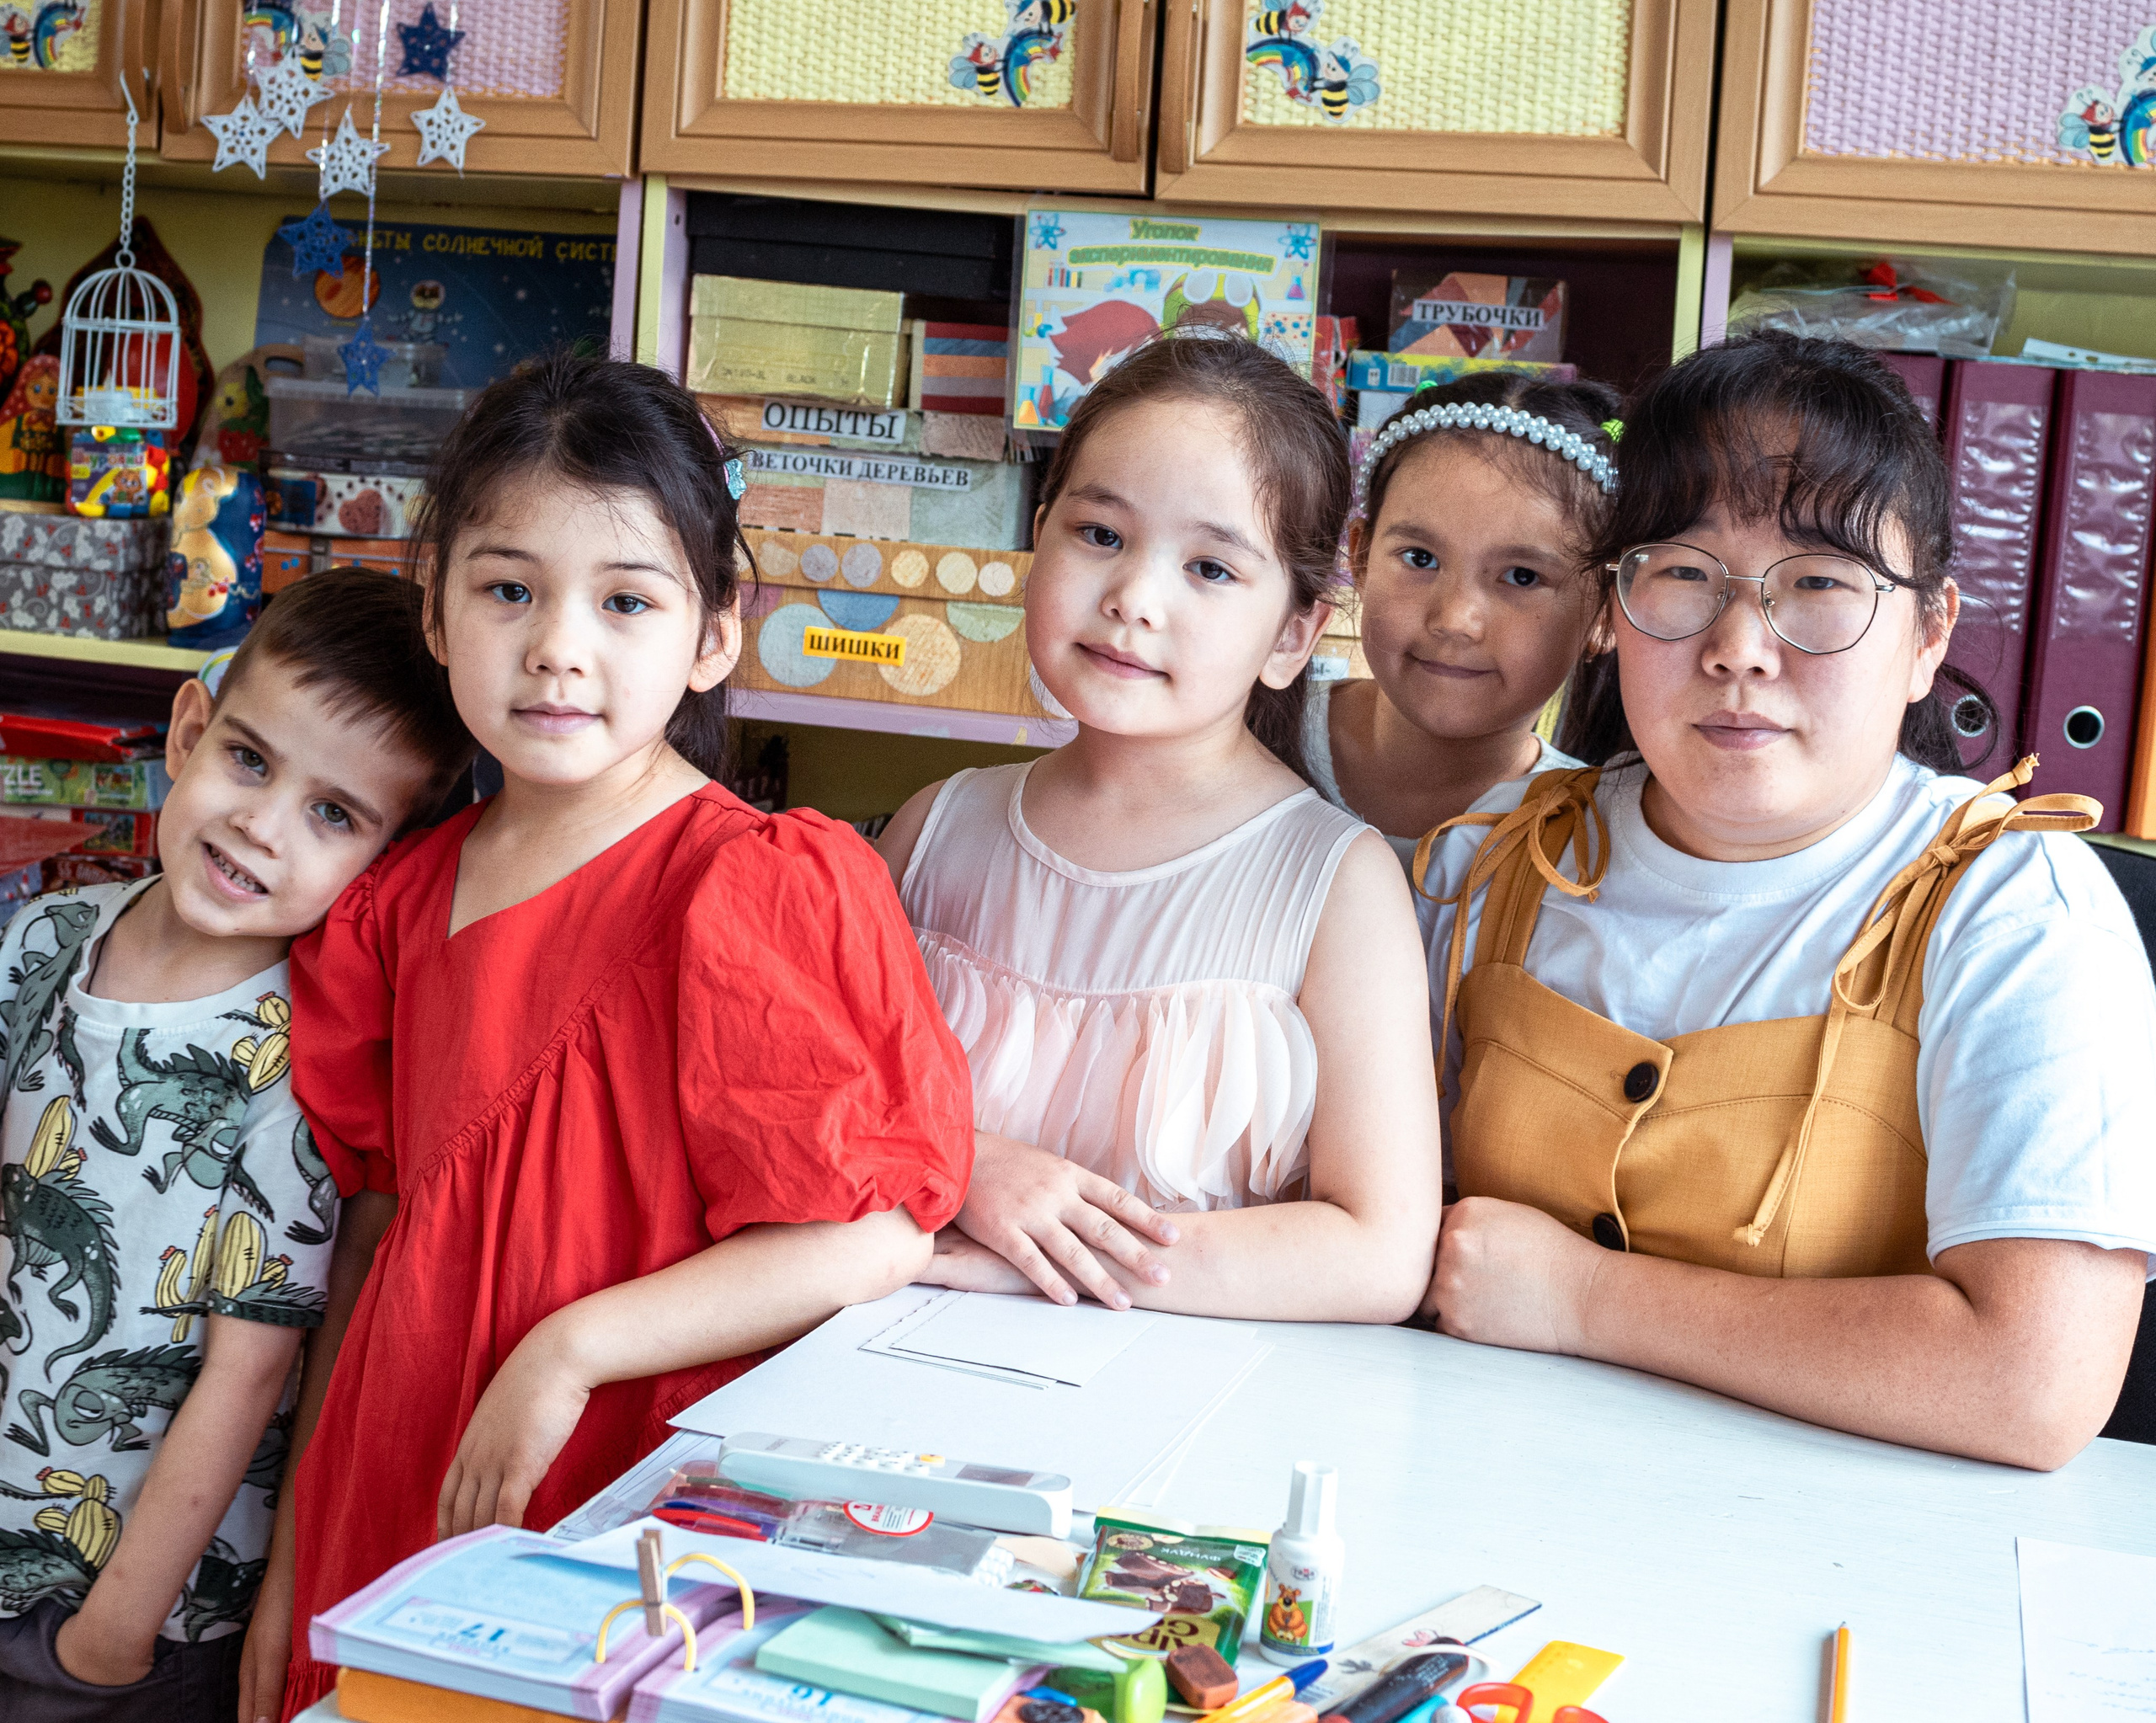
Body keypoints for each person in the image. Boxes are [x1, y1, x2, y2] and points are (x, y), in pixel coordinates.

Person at [252, 355, 975, 1718]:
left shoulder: (750, 882)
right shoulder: (394, 898)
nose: (558, 647)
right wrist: (293, 1566)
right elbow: (370, 1237)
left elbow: (870, 1239)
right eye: (508, 589)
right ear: (435, 605)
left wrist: (565, 1350)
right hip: (393, 1476)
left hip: (624, 1491)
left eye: (626, 600)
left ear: (714, 636)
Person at [1417, 331, 2156, 1469]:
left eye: (1816, 583)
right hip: (1476, 1488)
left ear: (1929, 635)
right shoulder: (1494, 858)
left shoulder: (2018, 912)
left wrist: (1584, 1298)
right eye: (1684, 574)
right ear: (1613, 608)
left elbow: (2034, 1383)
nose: (1738, 648)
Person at [876, 335, 1441, 1321]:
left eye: (1211, 568)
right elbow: (819, 1096)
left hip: (1186, 1393)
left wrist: (1058, 1260)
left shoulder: (1334, 885)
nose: (1133, 599)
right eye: (1100, 534)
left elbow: (1380, 1252)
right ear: (1038, 538)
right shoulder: (933, 832)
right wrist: (970, 1164)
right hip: (886, 1362)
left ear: (1294, 634)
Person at [0, 571, 472, 1720]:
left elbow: (247, 1371)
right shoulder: (42, 935)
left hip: (132, 1621)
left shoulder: (303, 1056)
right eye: (251, 760)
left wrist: (109, 1640)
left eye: (334, 814)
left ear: (387, 867)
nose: (262, 824)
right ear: (188, 732)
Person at [1308, 373, 1619, 869]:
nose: (1455, 620)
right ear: (1361, 557)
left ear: (1605, 611)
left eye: (1522, 577)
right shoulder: (1247, 735)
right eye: (1420, 558)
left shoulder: (1593, 849)